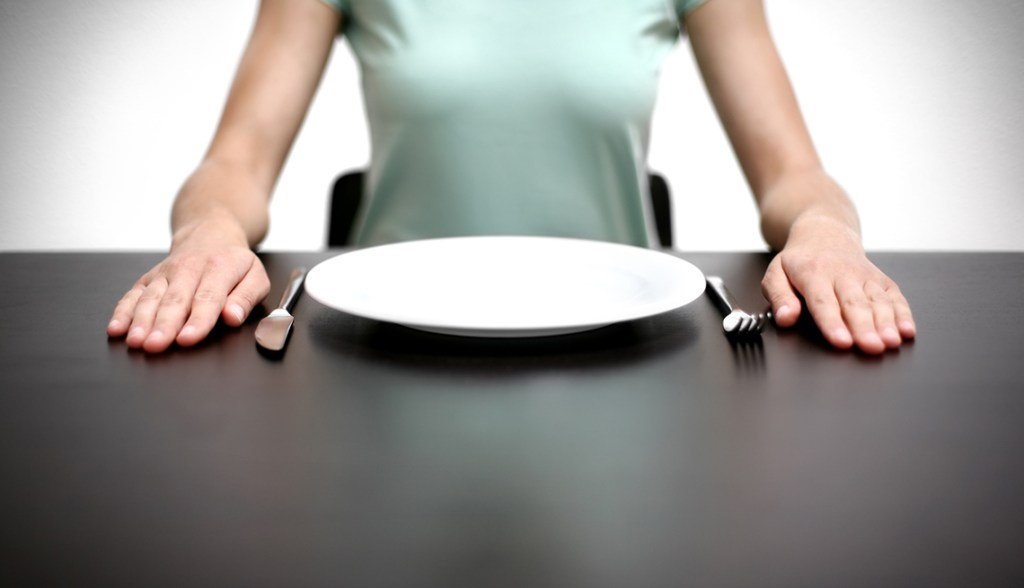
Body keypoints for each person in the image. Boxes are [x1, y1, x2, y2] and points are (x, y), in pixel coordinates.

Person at [106, 0, 916, 355]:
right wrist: (206, 229)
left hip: (621, 359)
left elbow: (796, 176)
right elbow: (235, 161)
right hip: (380, 355)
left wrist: (826, 233)